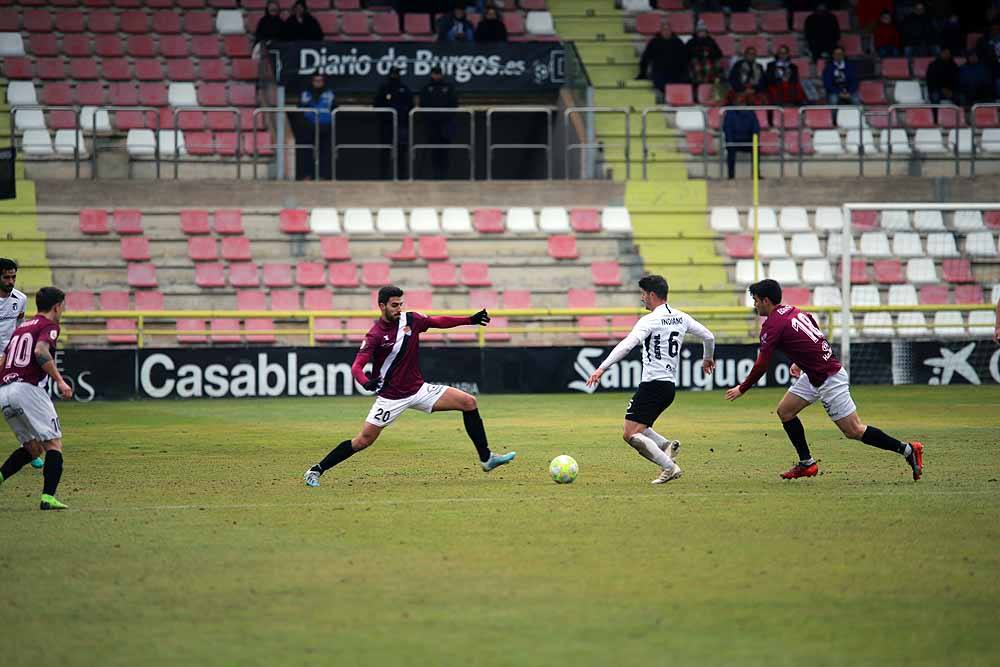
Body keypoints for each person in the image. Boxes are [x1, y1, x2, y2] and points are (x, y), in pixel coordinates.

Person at [303, 286, 514, 487]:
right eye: (394, 305)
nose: (399, 309)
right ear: (382, 306)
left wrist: (469, 320)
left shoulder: (411, 319)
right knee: (362, 441)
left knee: (469, 402)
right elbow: (357, 367)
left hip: (418, 390)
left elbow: (437, 321)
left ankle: (486, 458)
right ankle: (316, 470)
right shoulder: (375, 335)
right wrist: (366, 382)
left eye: (400, 304)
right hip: (391, 398)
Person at [724, 279, 924, 482]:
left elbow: (761, 365)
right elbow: (810, 323)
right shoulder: (791, 310)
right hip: (814, 374)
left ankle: (908, 450)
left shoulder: (772, 325)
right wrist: (799, 361)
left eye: (756, 300)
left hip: (829, 378)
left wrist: (743, 388)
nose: (755, 305)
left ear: (766, 300)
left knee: (853, 430)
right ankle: (807, 463)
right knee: (785, 411)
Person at [584, 275, 715, 485]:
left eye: (643, 294)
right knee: (639, 428)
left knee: (630, 434)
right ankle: (666, 446)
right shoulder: (682, 317)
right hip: (668, 387)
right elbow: (709, 336)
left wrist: (601, 368)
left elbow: (627, 345)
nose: (641, 298)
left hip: (653, 385)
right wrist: (707, 357)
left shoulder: (650, 320)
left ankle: (668, 467)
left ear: (652, 295)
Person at [0, 287, 73, 510]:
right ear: (57, 306)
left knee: (32, 448)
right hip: (27, 389)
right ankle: (48, 497)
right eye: (63, 305)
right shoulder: (48, 325)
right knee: (53, 443)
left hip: (5, 390)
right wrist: (60, 380)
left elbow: (3, 359)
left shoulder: (22, 327)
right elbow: (41, 352)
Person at [0, 258, 41, 470]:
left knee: (19, 405)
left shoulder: (20, 299)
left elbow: (19, 328)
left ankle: (29, 448)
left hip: (10, 360)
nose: (10, 281)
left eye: (13, 277)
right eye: (6, 277)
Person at [373, 67, 415, 179]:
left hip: (401, 125)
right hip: (386, 125)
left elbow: (410, 106)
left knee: (401, 151)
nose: (395, 76)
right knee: (385, 151)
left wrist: (403, 116)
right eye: (393, 74)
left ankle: (402, 177)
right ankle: (383, 177)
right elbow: (377, 105)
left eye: (397, 74)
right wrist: (386, 117)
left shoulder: (404, 89)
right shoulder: (384, 88)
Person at [419, 66, 459, 179]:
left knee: (445, 151)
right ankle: (436, 175)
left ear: (442, 74)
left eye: (438, 73)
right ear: (431, 74)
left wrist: (444, 117)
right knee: (434, 151)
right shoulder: (426, 88)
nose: (436, 76)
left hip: (446, 124)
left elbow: (454, 104)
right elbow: (422, 105)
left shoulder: (448, 87)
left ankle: (444, 175)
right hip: (432, 125)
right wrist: (431, 118)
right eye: (435, 73)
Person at [296, 74, 335, 180]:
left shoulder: (329, 93)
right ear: (312, 81)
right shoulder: (305, 94)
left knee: (325, 153)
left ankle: (323, 176)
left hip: (325, 127)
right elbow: (299, 108)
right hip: (309, 126)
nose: (318, 83)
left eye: (320, 80)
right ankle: (307, 175)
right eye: (316, 80)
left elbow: (335, 107)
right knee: (307, 152)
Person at [637, 24, 689, 101]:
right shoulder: (654, 42)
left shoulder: (678, 42)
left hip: (676, 72)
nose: (666, 32)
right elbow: (645, 58)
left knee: (681, 79)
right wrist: (642, 73)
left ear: (671, 31)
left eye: (668, 30)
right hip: (659, 72)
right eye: (664, 30)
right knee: (659, 81)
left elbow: (685, 59)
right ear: (661, 31)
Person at [722, 97, 761, 180]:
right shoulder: (730, 114)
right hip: (734, 140)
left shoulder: (751, 113)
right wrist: (730, 142)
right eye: (739, 103)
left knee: (756, 148)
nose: (741, 105)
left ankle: (756, 174)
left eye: (743, 103)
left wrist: (755, 139)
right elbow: (727, 129)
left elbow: (756, 128)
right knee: (730, 149)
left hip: (748, 139)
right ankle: (731, 176)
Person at [686, 20, 724, 94]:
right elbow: (687, 55)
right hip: (695, 62)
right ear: (697, 32)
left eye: (703, 31)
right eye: (700, 31)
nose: (702, 32)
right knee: (697, 65)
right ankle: (699, 87)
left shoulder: (711, 41)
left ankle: (707, 86)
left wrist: (709, 53)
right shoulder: (691, 42)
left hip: (709, 61)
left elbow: (719, 54)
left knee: (708, 66)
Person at [975, 22, 1000, 98]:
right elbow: (979, 54)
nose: (995, 31)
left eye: (997, 29)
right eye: (993, 29)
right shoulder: (983, 40)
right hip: (988, 66)